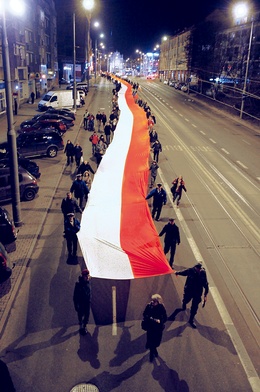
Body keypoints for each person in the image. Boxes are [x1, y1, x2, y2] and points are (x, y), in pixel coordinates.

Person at [173, 263, 209, 329]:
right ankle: (184, 305)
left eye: (200, 269)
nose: (199, 270)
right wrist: (177, 273)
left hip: (197, 293)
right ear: (195, 268)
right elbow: (184, 272)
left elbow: (206, 284)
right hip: (189, 291)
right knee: (186, 300)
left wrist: (205, 295)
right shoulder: (191, 270)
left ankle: (191, 320)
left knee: (194, 307)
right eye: (198, 269)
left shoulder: (203, 274)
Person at [142, 294, 167, 362]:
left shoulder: (161, 307)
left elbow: (165, 317)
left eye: (154, 301)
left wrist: (160, 321)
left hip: (158, 328)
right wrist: (151, 318)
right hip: (150, 327)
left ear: (158, 302)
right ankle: (152, 353)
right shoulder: (149, 306)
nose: (152, 302)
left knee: (157, 341)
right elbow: (144, 314)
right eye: (152, 300)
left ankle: (153, 349)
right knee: (150, 340)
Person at [73, 269, 91, 335]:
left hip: (87, 303)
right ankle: (80, 322)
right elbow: (75, 296)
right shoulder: (78, 285)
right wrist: (76, 305)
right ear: (83, 276)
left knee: (87, 315)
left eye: (88, 276)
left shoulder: (88, 283)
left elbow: (89, 292)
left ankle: (84, 326)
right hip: (81, 303)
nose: (88, 277)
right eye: (86, 276)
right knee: (80, 314)